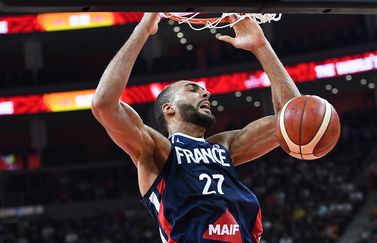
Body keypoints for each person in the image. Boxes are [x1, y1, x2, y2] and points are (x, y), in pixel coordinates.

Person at [91, 12, 301, 243]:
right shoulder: (157, 151)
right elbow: (104, 104)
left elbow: (292, 120)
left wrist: (261, 47)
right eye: (192, 89)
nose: (205, 92)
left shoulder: (224, 147)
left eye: (203, 90)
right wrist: (144, 27)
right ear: (169, 108)